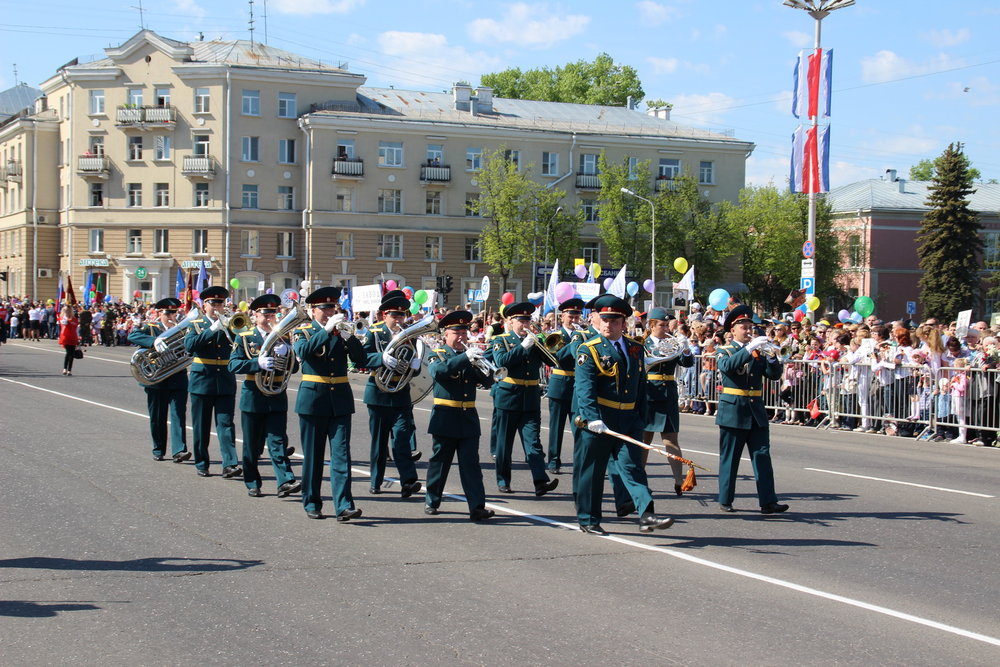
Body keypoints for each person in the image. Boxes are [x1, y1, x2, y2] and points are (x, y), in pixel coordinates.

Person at [574, 294, 674, 535]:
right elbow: (585, 388)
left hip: (628, 419)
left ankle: (647, 514)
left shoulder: (635, 348)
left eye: (615, 320)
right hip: (600, 419)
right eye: (605, 319)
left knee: (632, 467)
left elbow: (640, 387)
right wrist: (591, 417)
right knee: (593, 471)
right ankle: (588, 518)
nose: (609, 324)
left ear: (624, 323)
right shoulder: (589, 350)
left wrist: (641, 416)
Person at [293, 286, 369, 521]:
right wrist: (326, 331)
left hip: (340, 400)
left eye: (332, 307)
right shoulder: (303, 332)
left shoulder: (341, 332)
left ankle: (344, 505)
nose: (329, 312)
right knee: (314, 456)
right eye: (324, 308)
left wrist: (350, 338)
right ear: (312, 310)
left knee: (341, 455)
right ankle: (312, 502)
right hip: (313, 399)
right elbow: (304, 352)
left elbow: (361, 360)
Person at [715, 305, 788, 514]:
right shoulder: (725, 350)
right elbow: (728, 367)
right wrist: (749, 349)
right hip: (733, 410)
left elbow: (773, 375)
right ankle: (725, 499)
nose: (748, 331)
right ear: (733, 330)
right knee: (731, 457)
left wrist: (773, 357)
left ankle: (768, 501)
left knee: (762, 455)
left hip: (756, 410)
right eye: (744, 327)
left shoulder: (757, 351)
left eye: (750, 327)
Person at [422, 310, 495, 521]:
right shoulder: (437, 354)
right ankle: (432, 499)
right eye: (456, 332)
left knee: (471, 465)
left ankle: (477, 507)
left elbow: (488, 382)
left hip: (468, 417)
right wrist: (465, 358)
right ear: (446, 334)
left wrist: (484, 366)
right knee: (440, 463)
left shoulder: (469, 356)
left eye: (464, 332)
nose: (462, 336)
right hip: (445, 417)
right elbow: (439, 372)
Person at [228, 294, 301, 498]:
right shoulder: (244, 336)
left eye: (273, 312)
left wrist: (288, 352)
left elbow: (294, 368)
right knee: (252, 445)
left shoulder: (283, 337)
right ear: (255, 314)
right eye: (266, 313)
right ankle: (252, 481)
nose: (271, 316)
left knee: (277, 441)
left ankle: (285, 480)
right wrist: (255, 364)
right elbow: (233, 365)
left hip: (277, 394)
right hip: (253, 395)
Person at [489, 302, 559, 497]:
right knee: (504, 443)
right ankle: (503, 480)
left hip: (530, 398)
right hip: (509, 396)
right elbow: (502, 361)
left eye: (528, 320)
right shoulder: (500, 340)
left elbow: (553, 361)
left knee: (533, 443)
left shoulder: (534, 340)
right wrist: (523, 346)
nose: (525, 324)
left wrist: (545, 343)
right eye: (521, 320)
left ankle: (540, 481)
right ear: (510, 322)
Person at [361, 290, 423, 498]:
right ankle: (376, 481)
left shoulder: (409, 335)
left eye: (401, 315)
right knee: (379, 442)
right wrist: (381, 358)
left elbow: (413, 363)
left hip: (401, 394)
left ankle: (408, 481)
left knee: (402, 439)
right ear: (384, 315)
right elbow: (362, 358)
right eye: (394, 315)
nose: (398, 319)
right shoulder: (375, 331)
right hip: (378, 393)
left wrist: (416, 366)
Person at [183, 286, 240, 478]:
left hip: (224, 379)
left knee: (226, 424)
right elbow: (190, 346)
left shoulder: (231, 323)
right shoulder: (195, 323)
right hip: (202, 380)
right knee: (201, 425)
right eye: (213, 303)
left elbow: (243, 345)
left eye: (220, 303)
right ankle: (202, 462)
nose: (216, 307)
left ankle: (230, 464)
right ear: (204, 304)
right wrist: (212, 329)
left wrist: (230, 329)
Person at [128, 297, 191, 462]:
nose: (171, 316)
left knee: (178, 414)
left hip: (177, 377)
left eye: (174, 312)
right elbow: (132, 336)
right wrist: (153, 341)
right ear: (159, 313)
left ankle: (179, 450)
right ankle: (158, 448)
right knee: (158, 416)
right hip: (157, 379)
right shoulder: (150, 328)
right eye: (168, 312)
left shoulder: (180, 329)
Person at [641, 307, 695, 496]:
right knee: (644, 440)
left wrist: (686, 348)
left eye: (667, 325)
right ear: (651, 325)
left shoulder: (672, 343)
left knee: (671, 440)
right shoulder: (642, 344)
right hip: (648, 393)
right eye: (661, 325)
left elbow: (687, 363)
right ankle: (640, 480)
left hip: (668, 395)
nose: (665, 329)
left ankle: (678, 481)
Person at [545, 298, 586, 474]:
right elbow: (556, 357)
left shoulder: (585, 335)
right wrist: (574, 344)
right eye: (571, 316)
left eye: (577, 316)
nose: (574, 319)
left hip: (577, 385)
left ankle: (580, 461)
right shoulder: (556, 335)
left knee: (579, 427)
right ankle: (554, 460)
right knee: (556, 426)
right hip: (559, 384)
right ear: (563, 316)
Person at [58, 305, 80, 376]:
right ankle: (65, 368)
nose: (66, 312)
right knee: (68, 353)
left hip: (73, 337)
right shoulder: (62, 318)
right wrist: (66, 320)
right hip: (65, 337)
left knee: (72, 354)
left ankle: (69, 370)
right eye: (65, 310)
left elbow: (75, 326)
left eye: (68, 310)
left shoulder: (74, 319)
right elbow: (63, 323)